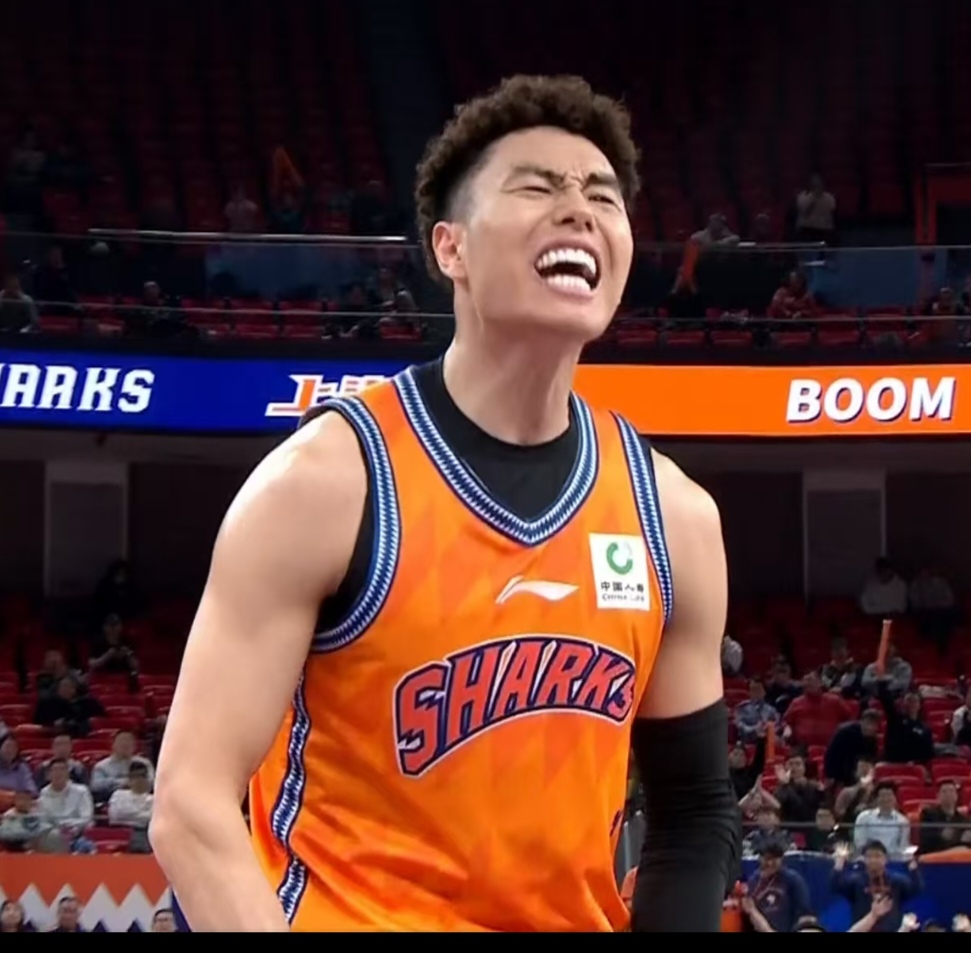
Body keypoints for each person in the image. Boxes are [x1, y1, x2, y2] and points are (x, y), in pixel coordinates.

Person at [151, 74, 740, 933]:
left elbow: (693, 814)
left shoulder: (674, 517)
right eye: (537, 187)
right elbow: (190, 803)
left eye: (602, 196)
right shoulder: (327, 482)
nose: (578, 210)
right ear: (450, 248)